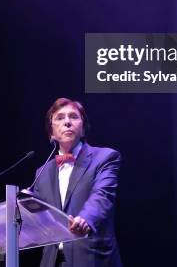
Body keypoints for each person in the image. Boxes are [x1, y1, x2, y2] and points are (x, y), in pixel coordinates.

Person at [34, 97, 122, 267]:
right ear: (51, 133)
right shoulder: (42, 172)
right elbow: (36, 219)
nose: (67, 122)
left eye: (73, 116)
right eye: (60, 118)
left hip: (92, 259)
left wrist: (85, 219)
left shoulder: (105, 158)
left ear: (82, 129)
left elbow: (102, 196)